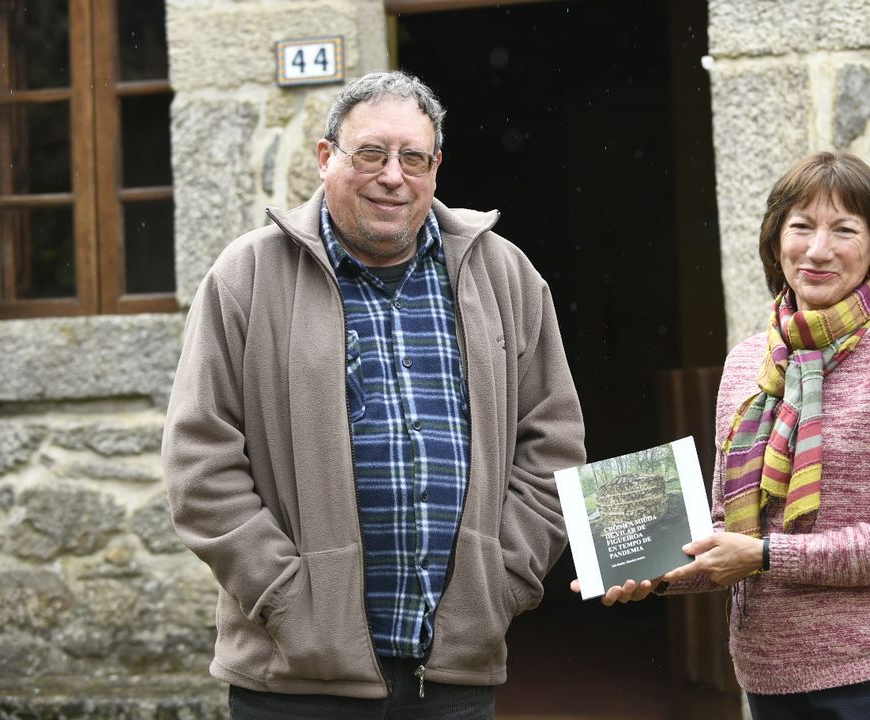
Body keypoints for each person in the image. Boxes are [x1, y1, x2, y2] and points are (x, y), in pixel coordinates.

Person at [163, 70, 585, 719]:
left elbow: (552, 444)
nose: (393, 175)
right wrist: (284, 597)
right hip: (295, 680)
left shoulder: (504, 275)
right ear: (326, 157)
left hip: (451, 680)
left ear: (436, 167)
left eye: (412, 157)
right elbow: (200, 463)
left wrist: (502, 580)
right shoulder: (245, 277)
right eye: (371, 154)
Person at [581, 151, 870, 719]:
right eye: (801, 227)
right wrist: (654, 570)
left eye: (844, 229)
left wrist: (766, 556)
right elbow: (729, 532)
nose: (818, 249)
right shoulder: (746, 364)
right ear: (775, 242)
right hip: (769, 673)